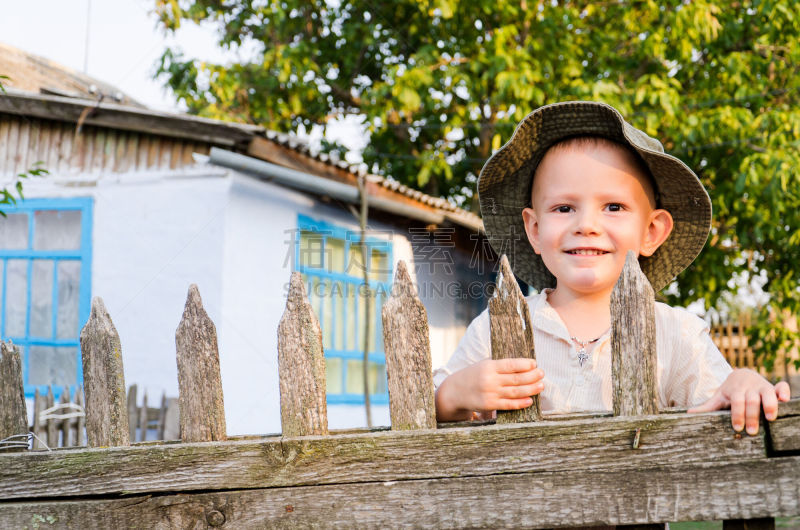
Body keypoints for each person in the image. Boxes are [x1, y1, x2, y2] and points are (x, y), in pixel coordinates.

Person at [433, 101, 791, 434]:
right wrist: (451, 396)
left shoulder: (675, 335)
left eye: (614, 207)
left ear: (651, 231)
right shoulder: (500, 327)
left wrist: (742, 383)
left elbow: (719, 399)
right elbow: (420, 408)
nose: (586, 225)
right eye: (563, 208)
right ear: (535, 230)